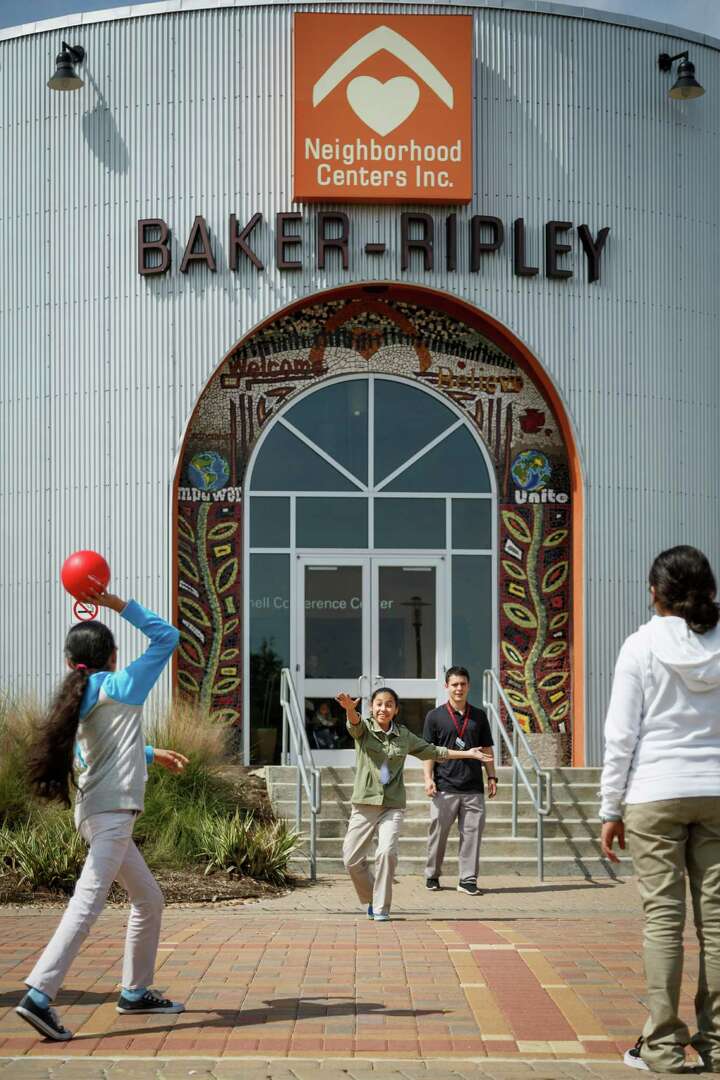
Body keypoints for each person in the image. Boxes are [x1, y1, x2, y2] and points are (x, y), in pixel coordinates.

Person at [15, 588, 189, 1042]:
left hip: (97, 812)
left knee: (148, 900)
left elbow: (95, 755)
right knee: (86, 904)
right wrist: (115, 603)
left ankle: (134, 991)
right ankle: (39, 993)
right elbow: (168, 637)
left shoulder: (78, 699)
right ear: (111, 656)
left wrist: (150, 752)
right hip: (112, 814)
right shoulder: (119, 686)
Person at [600, 546, 720, 1073]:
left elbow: (620, 736)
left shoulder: (640, 645)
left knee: (664, 922)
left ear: (657, 592)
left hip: (654, 792)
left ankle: (664, 1048)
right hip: (717, 792)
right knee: (716, 926)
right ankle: (717, 1042)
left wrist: (610, 807)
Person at [336, 687, 493, 922]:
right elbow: (354, 724)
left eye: (389, 704)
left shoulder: (404, 735)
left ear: (396, 710)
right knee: (351, 859)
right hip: (365, 803)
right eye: (379, 704)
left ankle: (381, 908)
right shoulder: (365, 729)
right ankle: (371, 897)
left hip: (392, 804)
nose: (383, 708)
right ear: (372, 707)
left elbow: (434, 750)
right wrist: (350, 709)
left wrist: (469, 755)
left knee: (387, 852)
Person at [422, 666, 497, 896]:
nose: (459, 688)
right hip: (444, 786)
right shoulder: (434, 716)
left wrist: (492, 776)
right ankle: (432, 874)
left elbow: (486, 748)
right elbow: (428, 751)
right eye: (454, 684)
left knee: (472, 836)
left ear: (468, 686)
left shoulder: (479, 716)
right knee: (439, 834)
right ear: (446, 686)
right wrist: (428, 779)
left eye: (463, 684)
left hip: (473, 787)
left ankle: (467, 879)